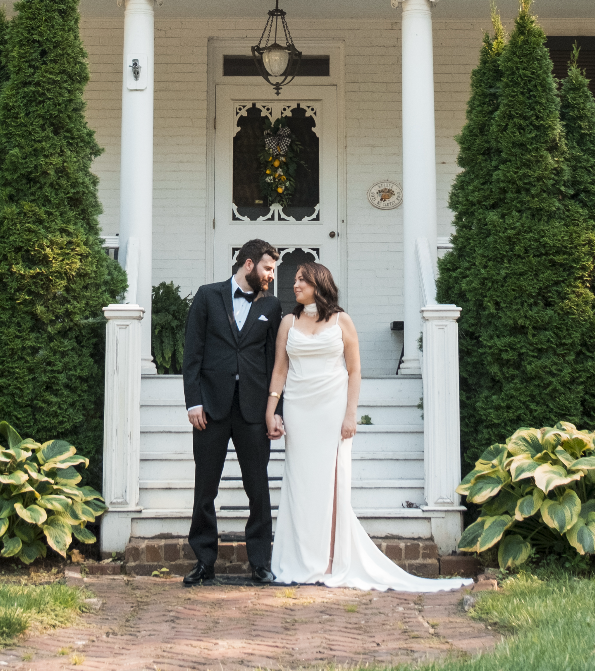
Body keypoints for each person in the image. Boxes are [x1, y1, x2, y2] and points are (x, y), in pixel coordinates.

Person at [266, 261, 472, 591]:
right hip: (299, 411)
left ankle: (330, 562)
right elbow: (280, 369)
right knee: (300, 485)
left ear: (320, 284)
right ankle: (298, 558)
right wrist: (271, 409)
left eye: (302, 280)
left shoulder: (341, 320)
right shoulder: (287, 323)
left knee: (331, 483)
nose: (295, 284)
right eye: (295, 280)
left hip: (332, 410)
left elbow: (354, 372)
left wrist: (351, 414)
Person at [180, 239, 282, 586]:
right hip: (211, 408)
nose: (271, 275)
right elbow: (192, 352)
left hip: (253, 410)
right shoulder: (208, 296)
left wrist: (275, 410)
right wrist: (193, 401)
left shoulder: (272, 305)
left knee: (259, 488)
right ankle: (204, 561)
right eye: (268, 268)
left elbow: (275, 363)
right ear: (249, 264)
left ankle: (260, 562)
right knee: (205, 487)